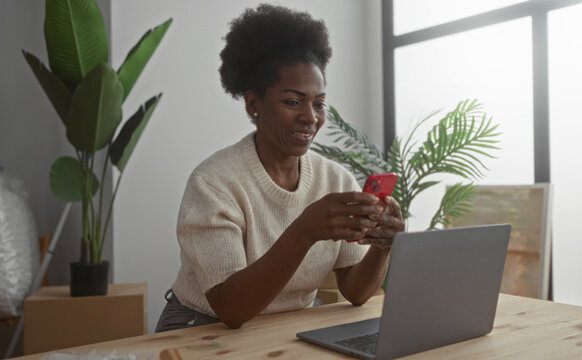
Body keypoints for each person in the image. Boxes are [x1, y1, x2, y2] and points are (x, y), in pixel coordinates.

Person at [155, 3, 404, 332]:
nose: (310, 117)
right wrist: (305, 231)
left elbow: (356, 292)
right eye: (292, 101)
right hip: (204, 326)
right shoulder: (213, 183)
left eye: (318, 103)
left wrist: (382, 247)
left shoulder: (335, 179)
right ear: (253, 104)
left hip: (291, 325)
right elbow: (231, 308)